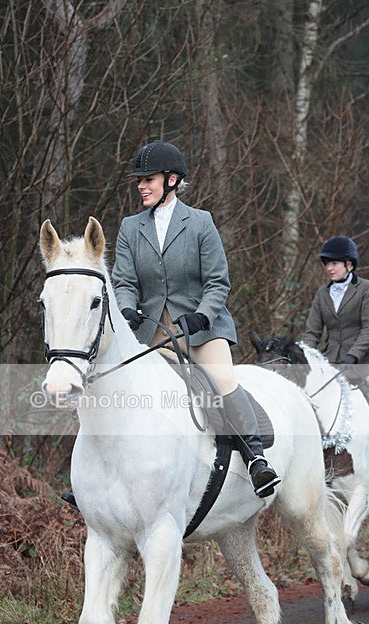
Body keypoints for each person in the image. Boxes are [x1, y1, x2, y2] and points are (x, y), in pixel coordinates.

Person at [111, 140, 280, 498]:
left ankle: (255, 458)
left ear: (172, 180)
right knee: (120, 387)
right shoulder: (129, 227)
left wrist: (202, 316)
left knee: (220, 379)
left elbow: (218, 280)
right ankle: (108, 470)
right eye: (139, 180)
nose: (141, 185)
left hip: (202, 328)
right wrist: (126, 306)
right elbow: (123, 280)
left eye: (149, 179)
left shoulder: (200, 222)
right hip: (151, 330)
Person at [302, 235, 369, 421]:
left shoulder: (366, 288)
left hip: (366, 361)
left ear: (349, 264)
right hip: (332, 362)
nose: (329, 268)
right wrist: (304, 355)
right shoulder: (322, 294)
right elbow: (312, 332)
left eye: (334, 263)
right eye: (327, 263)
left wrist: (353, 354)